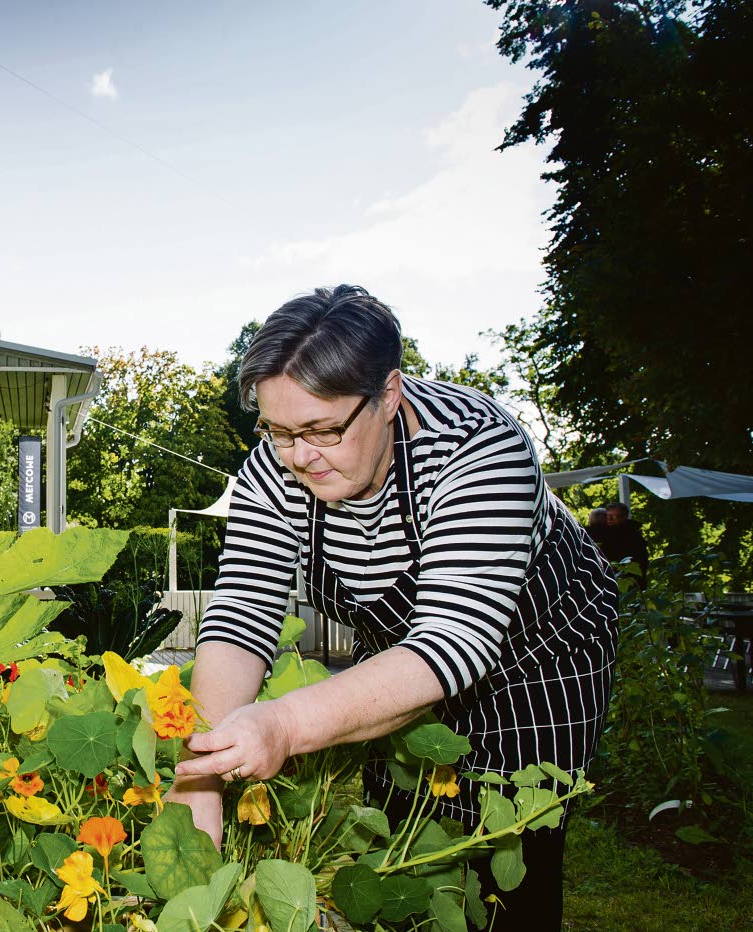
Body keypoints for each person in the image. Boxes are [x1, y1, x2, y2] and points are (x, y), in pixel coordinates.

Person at [171, 285, 618, 932]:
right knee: (399, 848)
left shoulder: (479, 450)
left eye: (323, 430)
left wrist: (284, 725)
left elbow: (451, 645)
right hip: (399, 652)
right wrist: (202, 766)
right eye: (278, 430)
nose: (298, 457)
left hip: (539, 653)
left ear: (388, 396)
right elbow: (242, 614)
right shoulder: (276, 467)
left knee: (502, 859)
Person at [601, 501, 649, 586]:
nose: (610, 519)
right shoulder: (604, 533)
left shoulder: (632, 536)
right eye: (608, 516)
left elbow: (639, 561)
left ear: (624, 517)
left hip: (630, 580)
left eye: (614, 516)